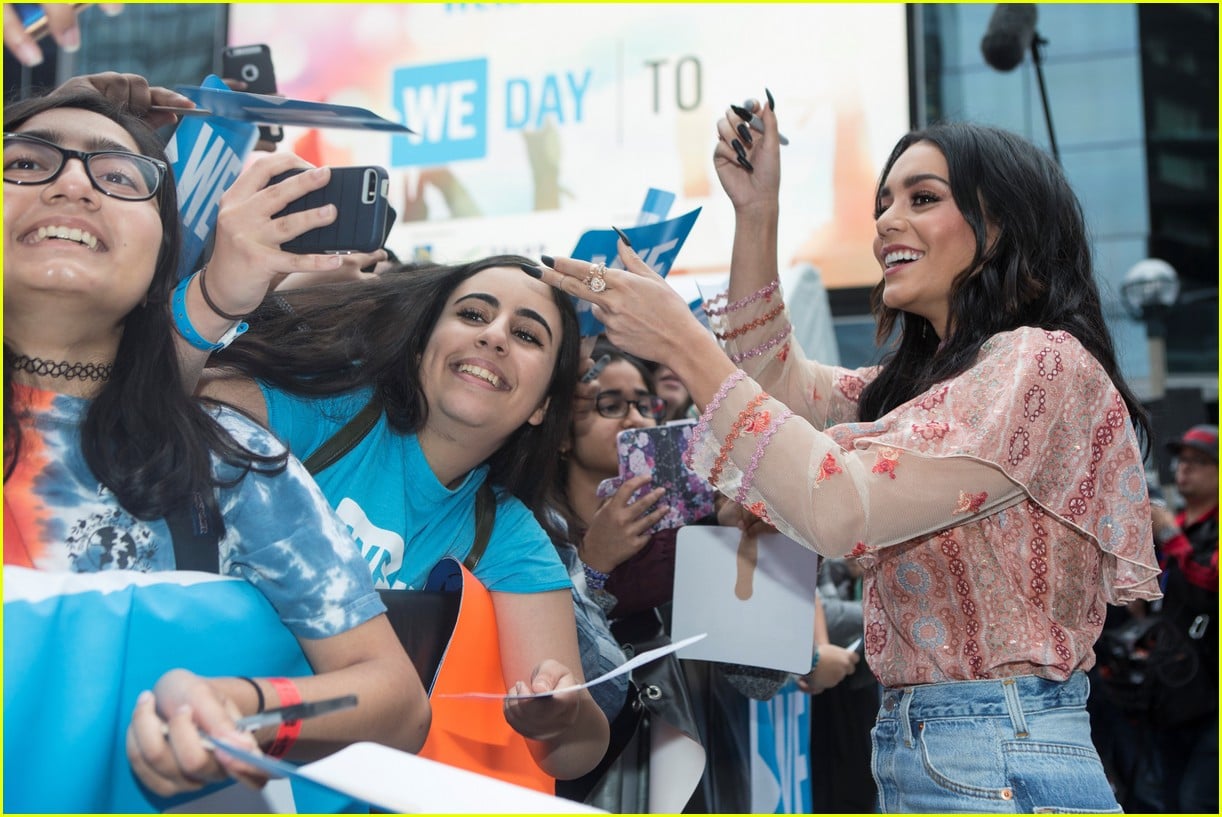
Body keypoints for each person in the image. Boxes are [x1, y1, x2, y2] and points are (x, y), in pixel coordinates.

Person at [531, 96, 1163, 812]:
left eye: (923, 198)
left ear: (1005, 225)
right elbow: (772, 387)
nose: (887, 222)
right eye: (882, 202)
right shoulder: (926, 387)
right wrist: (756, 211)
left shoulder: (1039, 363)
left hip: (999, 752)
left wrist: (682, 341)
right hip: (934, 746)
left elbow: (839, 508)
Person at [2, 89, 429, 798]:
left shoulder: (230, 462)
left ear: (162, 259)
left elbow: (397, 700)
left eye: (118, 176)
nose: (73, 183)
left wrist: (246, 709)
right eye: (25, 162)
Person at [193, 254, 609, 786]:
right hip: (193, 732)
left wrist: (563, 718)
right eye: (474, 315)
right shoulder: (323, 413)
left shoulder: (508, 533)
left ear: (542, 408)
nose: (496, 337)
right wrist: (280, 294)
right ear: (419, 348)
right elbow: (161, 410)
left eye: (528, 335)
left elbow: (575, 755)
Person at [1147, 423, 1217, 813]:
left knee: (1198, 801)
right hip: (1172, 693)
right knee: (1166, 800)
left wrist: (1169, 534)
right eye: (1182, 460)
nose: (1184, 469)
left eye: (1201, 462)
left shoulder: (1178, 532)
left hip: (1212, 698)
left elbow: (1211, 579)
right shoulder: (1179, 530)